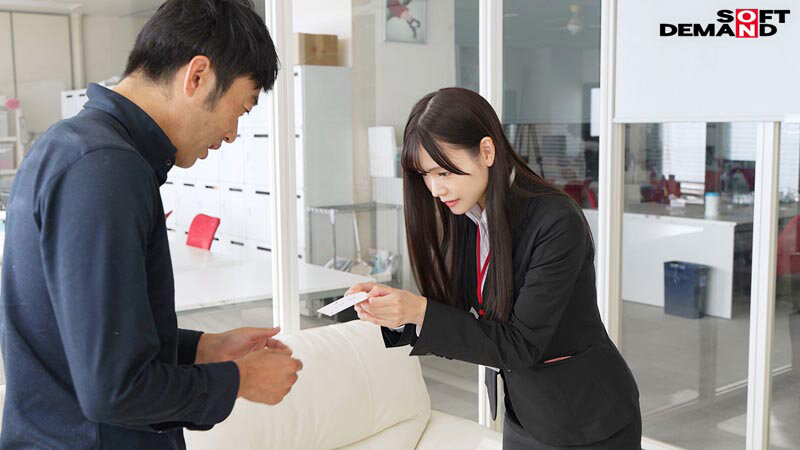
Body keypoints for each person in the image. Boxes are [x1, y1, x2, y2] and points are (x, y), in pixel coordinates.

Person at [0, 1, 302, 448]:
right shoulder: (104, 168)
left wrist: (203, 349)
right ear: (197, 76)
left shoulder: (77, 148)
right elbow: (116, 389)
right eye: (240, 109)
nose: (232, 134)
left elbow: (86, 336)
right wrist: (240, 379)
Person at [347, 87, 642, 449]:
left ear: (487, 151)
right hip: (525, 410)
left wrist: (419, 310)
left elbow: (521, 343)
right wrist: (398, 311)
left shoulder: (556, 221)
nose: (435, 189)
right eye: (425, 175)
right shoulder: (469, 216)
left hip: (587, 419)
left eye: (443, 172)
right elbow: (462, 321)